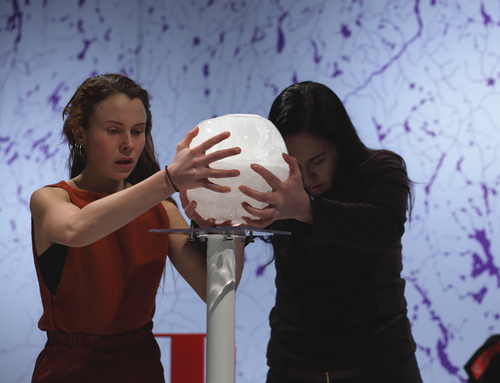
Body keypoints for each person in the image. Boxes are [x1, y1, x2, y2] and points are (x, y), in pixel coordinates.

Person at [29, 73, 245, 383]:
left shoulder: (162, 209)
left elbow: (217, 290)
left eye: (138, 131)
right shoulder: (51, 198)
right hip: (70, 370)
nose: (129, 145)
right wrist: (168, 180)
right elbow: (76, 230)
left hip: (139, 366)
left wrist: (230, 223)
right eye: (114, 131)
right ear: (80, 134)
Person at [237, 81, 423, 382]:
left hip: (379, 367)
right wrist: (210, 212)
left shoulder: (380, 169)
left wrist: (306, 209)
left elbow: (384, 226)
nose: (307, 177)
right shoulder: (277, 187)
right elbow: (228, 231)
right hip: (291, 367)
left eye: (318, 161)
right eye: (294, 165)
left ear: (340, 143)